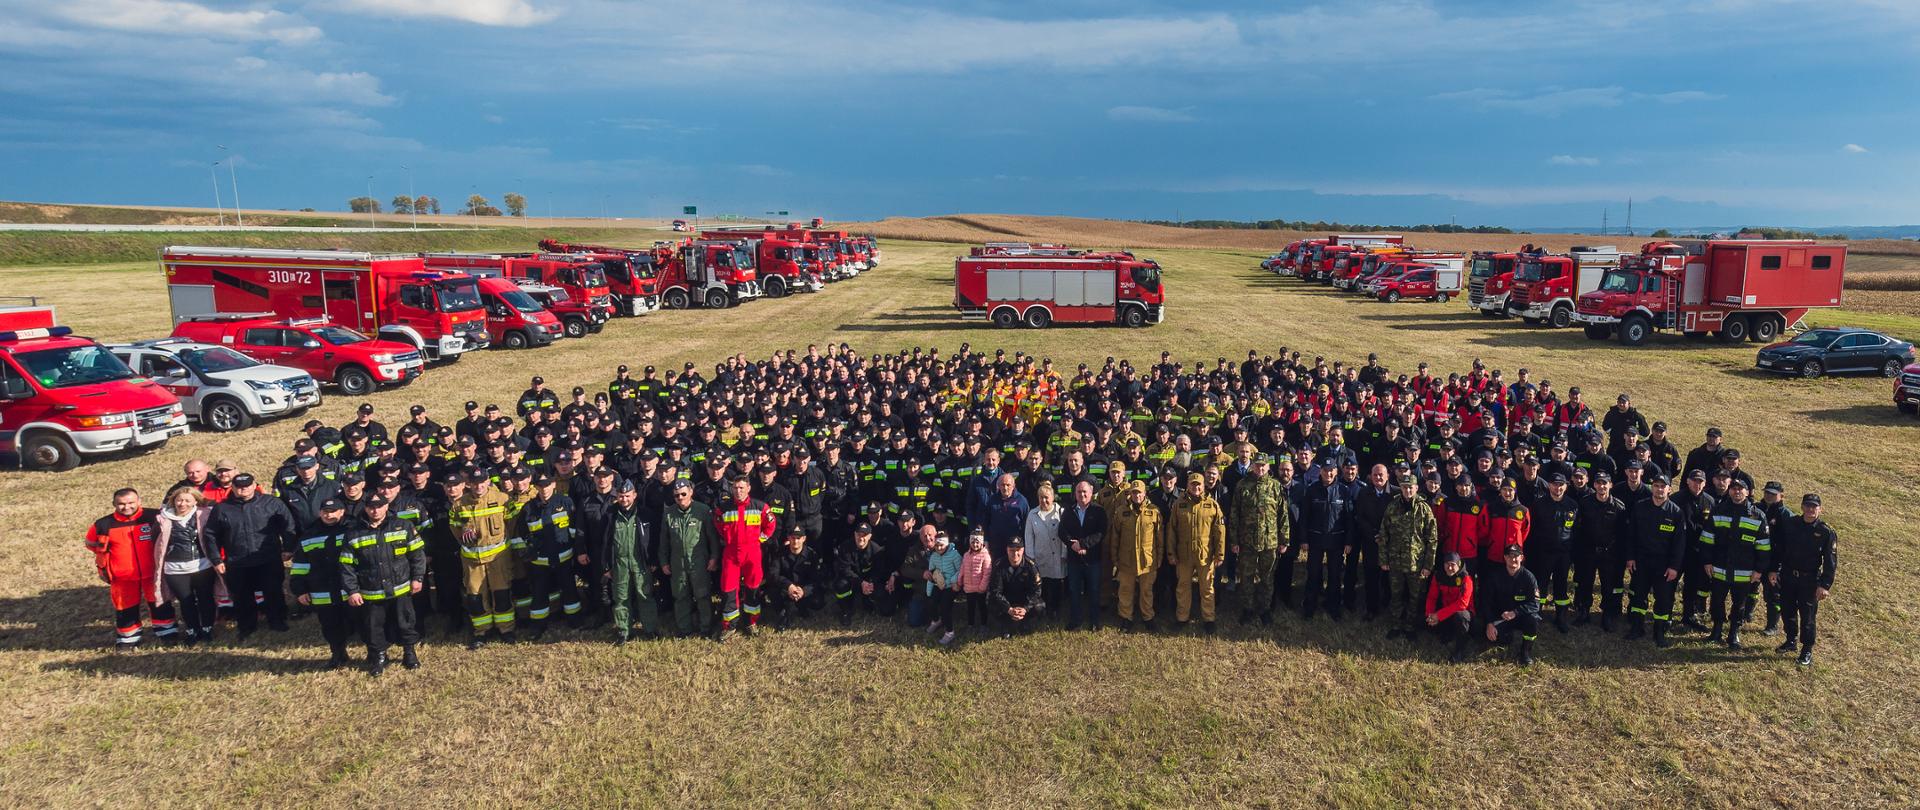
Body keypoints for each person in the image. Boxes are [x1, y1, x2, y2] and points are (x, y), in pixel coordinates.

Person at [338, 496, 426, 676]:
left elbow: (417, 554)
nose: (375, 511)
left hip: (401, 587)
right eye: (371, 507)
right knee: (373, 626)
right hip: (371, 591)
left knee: (405, 622)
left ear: (386, 506)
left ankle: (409, 653)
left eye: (379, 506)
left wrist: (418, 577)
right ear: (366, 508)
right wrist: (352, 591)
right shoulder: (353, 532)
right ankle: (379, 657)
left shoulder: (403, 526)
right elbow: (346, 566)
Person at [85, 488, 178, 650]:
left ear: (139, 501)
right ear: (114, 504)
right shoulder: (103, 524)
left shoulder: (154, 517)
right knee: (125, 606)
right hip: (122, 576)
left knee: (159, 601)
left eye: (130, 503)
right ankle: (128, 637)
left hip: (153, 572)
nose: (126, 507)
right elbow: (91, 544)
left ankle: (166, 631)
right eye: (121, 504)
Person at [206, 473, 296, 640]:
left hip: (268, 557)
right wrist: (216, 559)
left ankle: (277, 620)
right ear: (232, 488)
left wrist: (288, 547)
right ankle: (247, 626)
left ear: (254, 485)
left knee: (273, 591)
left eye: (247, 485)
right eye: (239, 486)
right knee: (241, 595)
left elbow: (287, 525)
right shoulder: (222, 508)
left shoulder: (271, 503)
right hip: (237, 561)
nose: (244, 489)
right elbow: (211, 534)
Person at [449, 467, 516, 648]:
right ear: (469, 484)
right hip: (472, 560)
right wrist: (465, 534)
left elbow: (511, 524)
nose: (478, 486)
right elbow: (454, 527)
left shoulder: (502, 499)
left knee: (501, 593)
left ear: (488, 481)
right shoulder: (459, 505)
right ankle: (481, 632)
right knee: (475, 597)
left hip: (498, 558)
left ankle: (506, 629)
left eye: (482, 482)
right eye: (474, 483)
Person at [1770, 493, 1836, 666]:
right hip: (1788, 576)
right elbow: (1779, 550)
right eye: (1807, 505)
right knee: (1787, 610)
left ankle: (1807, 649)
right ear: (1802, 507)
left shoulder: (1825, 531)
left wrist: (1824, 585)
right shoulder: (1790, 525)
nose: (1810, 509)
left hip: (1809, 580)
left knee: (1807, 617)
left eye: (1814, 506)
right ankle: (1791, 640)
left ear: (1820, 509)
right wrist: (1774, 570)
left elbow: (1830, 561)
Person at [1704, 478, 1769, 649]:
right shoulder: (1718, 510)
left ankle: (1734, 633)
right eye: (1733, 488)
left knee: (1739, 604)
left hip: (1744, 570)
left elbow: (1763, 546)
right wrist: (1707, 561)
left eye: (1741, 489)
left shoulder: (1757, 515)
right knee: (1717, 600)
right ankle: (1716, 630)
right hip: (1719, 566)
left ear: (1747, 492)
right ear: (1729, 491)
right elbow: (1707, 538)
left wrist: (1759, 570)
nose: (1737, 491)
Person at [289, 498, 354, 668]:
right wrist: (300, 589)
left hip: (349, 589)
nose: (328, 515)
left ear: (342, 512)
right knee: (330, 625)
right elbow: (300, 566)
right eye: (325, 511)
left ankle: (372, 653)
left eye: (333, 511)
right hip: (322, 590)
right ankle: (338, 654)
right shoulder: (309, 535)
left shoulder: (353, 529)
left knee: (358, 622)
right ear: (319, 513)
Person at [1625, 474, 1687, 647]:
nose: (1659, 489)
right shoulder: (1640, 507)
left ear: (1669, 489)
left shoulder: (1675, 512)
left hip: (1664, 566)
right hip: (1641, 562)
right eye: (1656, 486)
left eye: (1663, 486)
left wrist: (1674, 567)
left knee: (1663, 599)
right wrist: (1630, 557)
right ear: (1652, 487)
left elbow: (1679, 544)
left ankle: (1659, 632)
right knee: (1638, 596)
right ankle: (1637, 627)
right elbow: (1631, 535)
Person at [153, 486, 218, 646]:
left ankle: (207, 628)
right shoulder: (163, 519)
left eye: (187, 500)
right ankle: (192, 630)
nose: (183, 504)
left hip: (201, 566)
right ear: (173, 501)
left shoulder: (204, 515)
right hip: (174, 569)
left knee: (205, 598)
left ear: (195, 501)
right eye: (179, 500)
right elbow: (156, 542)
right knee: (185, 601)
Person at [600, 479, 663, 643]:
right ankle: (624, 631)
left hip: (640, 562)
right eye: (621, 496)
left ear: (634, 495)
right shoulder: (610, 514)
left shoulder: (645, 514)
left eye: (627, 496)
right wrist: (606, 565)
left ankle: (649, 629)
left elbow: (654, 539)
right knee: (621, 598)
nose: (624, 499)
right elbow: (605, 541)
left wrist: (653, 559)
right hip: (619, 563)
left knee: (645, 595)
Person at [521, 473, 582, 639]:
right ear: (536, 487)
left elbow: (575, 530)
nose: (544, 489)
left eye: (547, 485)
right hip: (540, 562)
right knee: (540, 593)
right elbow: (522, 534)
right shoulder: (528, 508)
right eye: (540, 486)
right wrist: (529, 549)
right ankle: (538, 626)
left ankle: (575, 620)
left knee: (570, 591)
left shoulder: (566, 502)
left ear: (553, 485)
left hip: (564, 558)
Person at [714, 476, 776, 636]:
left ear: (748, 488)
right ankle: (730, 625)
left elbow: (770, 525)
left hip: (752, 553)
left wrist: (759, 540)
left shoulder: (760, 507)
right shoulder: (723, 508)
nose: (738, 491)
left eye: (741, 488)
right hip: (731, 553)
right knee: (728, 588)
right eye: (735, 488)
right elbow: (719, 525)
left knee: (753, 587)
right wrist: (728, 540)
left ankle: (751, 622)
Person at [1378, 475, 1438, 640]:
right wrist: (1383, 560)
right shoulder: (1392, 507)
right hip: (1395, 562)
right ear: (1401, 488)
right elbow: (1383, 534)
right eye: (1404, 487)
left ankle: (1411, 627)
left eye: (1411, 487)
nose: (1408, 490)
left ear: (1417, 488)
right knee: (1395, 595)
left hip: (1416, 564)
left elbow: (1432, 540)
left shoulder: (1424, 509)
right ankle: (1396, 625)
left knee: (1415, 597)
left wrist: (1428, 566)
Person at [1167, 472, 1227, 634]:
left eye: (1199, 484)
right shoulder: (1179, 505)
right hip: (1184, 555)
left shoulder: (1212, 505)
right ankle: (1182, 618)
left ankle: (1208, 618)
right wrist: (1171, 553)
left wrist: (1220, 554)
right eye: (1193, 484)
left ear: (1203, 486)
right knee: (1183, 587)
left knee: (1207, 588)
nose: (1196, 487)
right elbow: (1171, 531)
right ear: (1188, 486)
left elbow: (1219, 531)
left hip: (1205, 555)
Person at [658, 479, 719, 638]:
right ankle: (684, 629)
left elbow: (712, 538)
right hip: (677, 562)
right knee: (680, 596)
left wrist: (714, 557)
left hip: (699, 561)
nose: (680, 498)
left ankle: (705, 627)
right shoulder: (669, 513)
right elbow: (663, 541)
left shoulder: (703, 510)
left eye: (683, 494)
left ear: (691, 493)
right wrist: (663, 561)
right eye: (677, 495)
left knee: (703, 596)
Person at [1230, 455, 1287, 625]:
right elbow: (1234, 514)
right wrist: (1234, 541)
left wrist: (1285, 540)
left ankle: (1265, 609)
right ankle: (1247, 609)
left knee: (1267, 578)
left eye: (1263, 466)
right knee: (1246, 577)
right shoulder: (1242, 486)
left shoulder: (1275, 486)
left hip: (1270, 542)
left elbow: (1283, 515)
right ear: (1252, 466)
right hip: (1247, 541)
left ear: (1268, 467)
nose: (1260, 469)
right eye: (1257, 466)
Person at [1296, 462, 1354, 621]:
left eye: (1331, 470)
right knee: (1313, 574)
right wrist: (1304, 539)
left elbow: (1349, 519)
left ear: (1336, 471)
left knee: (1335, 575)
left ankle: (1333, 606)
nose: (1328, 473)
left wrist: (1349, 541)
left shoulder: (1344, 491)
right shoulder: (1312, 490)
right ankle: (1309, 606)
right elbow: (1304, 517)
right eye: (1325, 470)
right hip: (1315, 540)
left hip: (1336, 540)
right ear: (1320, 471)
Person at [1572, 472, 1628, 631]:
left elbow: (1622, 535)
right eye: (1598, 483)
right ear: (1594, 485)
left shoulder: (1619, 507)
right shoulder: (1584, 503)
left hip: (1609, 553)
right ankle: (1584, 611)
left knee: (1608, 585)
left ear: (1610, 485)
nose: (1602, 486)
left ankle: (1607, 615)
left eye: (1605, 483)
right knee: (1585, 583)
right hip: (1588, 551)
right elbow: (1578, 528)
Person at [1108, 480, 1163, 632]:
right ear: (1130, 494)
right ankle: (1126, 617)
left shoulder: (1154, 511)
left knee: (1146, 590)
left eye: (1139, 492)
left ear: (1145, 493)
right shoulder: (1121, 511)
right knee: (1125, 590)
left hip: (1148, 560)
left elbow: (1160, 538)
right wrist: (1115, 558)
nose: (1137, 495)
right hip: (1126, 559)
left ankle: (1148, 617)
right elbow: (1115, 537)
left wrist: (1159, 558)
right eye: (1134, 492)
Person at [1481, 544, 1543, 666]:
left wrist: (1515, 612)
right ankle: (1506, 635)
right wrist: (1489, 623)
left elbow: (1535, 604)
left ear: (1522, 558)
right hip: (1502, 616)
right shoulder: (1495, 576)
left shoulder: (1529, 577)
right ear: (1504, 557)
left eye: (1516, 556)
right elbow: (1486, 601)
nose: (1513, 559)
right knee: (1493, 638)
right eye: (1510, 556)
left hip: (1521, 616)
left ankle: (1525, 651)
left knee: (1533, 621)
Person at [1058, 480, 1107, 630]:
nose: (1082, 494)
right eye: (1079, 492)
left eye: (1085, 492)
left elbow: (1101, 533)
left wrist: (1084, 544)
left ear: (1091, 493)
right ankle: (1076, 619)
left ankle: (1094, 620)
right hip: (1074, 559)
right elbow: (1061, 531)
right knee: (1074, 590)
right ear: (1075, 494)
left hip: (1092, 558)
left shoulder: (1099, 511)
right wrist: (1072, 544)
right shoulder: (1069, 510)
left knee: (1093, 590)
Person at [764, 526, 827, 631]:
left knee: (818, 602)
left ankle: (801, 606)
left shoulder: (812, 555)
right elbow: (773, 574)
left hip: (803, 589)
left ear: (804, 539)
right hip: (786, 589)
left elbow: (816, 578)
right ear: (788, 538)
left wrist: (804, 591)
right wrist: (789, 586)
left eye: (798, 538)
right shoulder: (780, 553)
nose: (795, 541)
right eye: (793, 538)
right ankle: (783, 612)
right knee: (773, 592)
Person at [833, 523, 892, 624]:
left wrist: (871, 582)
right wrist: (860, 583)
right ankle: (846, 609)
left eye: (864, 535)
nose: (861, 538)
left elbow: (880, 570)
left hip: (869, 582)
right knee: (840, 585)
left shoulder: (876, 550)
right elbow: (845, 569)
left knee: (883, 600)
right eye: (858, 534)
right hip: (852, 580)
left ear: (869, 536)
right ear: (854, 534)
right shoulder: (845, 547)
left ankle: (869, 601)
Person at [1424, 552, 1475, 663]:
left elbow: (1462, 604)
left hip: (1463, 613)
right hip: (1445, 611)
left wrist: (1439, 615)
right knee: (1426, 624)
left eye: (1453, 564)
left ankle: (1460, 649)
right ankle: (1446, 632)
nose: (1450, 568)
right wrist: (1430, 614)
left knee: (1461, 616)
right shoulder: (1438, 576)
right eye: (1447, 564)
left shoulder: (1466, 579)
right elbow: (1432, 597)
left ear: (1459, 564)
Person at [988, 538, 1044, 637]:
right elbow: (995, 591)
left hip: (1024, 600)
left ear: (1023, 550)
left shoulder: (1031, 566)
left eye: (1018, 550)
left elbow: (1036, 590)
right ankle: (1005, 624)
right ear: (1007, 550)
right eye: (1012, 550)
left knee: (1039, 606)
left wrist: (1025, 608)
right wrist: (1009, 609)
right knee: (992, 603)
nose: (1015, 553)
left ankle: (1025, 622)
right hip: (1007, 599)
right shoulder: (999, 565)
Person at [1023, 488, 1065, 617]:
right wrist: (1031, 559)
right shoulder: (1032, 514)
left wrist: (1064, 553)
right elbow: (1028, 538)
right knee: (1043, 584)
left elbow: (1066, 535)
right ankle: (1044, 608)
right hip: (1040, 556)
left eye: (1047, 497)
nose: (1044, 500)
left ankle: (1055, 609)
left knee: (1056, 583)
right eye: (1041, 497)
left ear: (1053, 497)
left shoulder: (1061, 512)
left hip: (1057, 556)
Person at [958, 531, 994, 639]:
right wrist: (959, 580)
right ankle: (970, 624)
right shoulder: (966, 555)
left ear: (982, 543)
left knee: (982, 607)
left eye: (977, 542)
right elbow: (962, 569)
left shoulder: (986, 556)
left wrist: (982, 587)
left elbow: (987, 573)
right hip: (969, 588)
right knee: (970, 607)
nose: (975, 544)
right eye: (973, 542)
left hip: (980, 589)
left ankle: (984, 624)